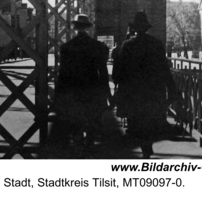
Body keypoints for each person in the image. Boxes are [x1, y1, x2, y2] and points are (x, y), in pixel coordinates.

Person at [112, 11, 178, 158]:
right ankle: (147, 146)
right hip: (153, 91)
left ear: (135, 28)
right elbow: (164, 69)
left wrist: (118, 85)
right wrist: (172, 88)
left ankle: (144, 147)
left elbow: (119, 72)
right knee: (150, 120)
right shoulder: (156, 44)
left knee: (135, 122)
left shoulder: (127, 45)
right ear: (147, 28)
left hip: (133, 93)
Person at [53, 14, 112, 155]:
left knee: (76, 125)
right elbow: (103, 74)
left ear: (74, 28)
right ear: (88, 28)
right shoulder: (97, 46)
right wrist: (108, 96)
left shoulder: (66, 48)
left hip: (74, 93)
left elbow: (63, 75)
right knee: (92, 124)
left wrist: (58, 98)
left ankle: (79, 150)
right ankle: (89, 147)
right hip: (93, 92)